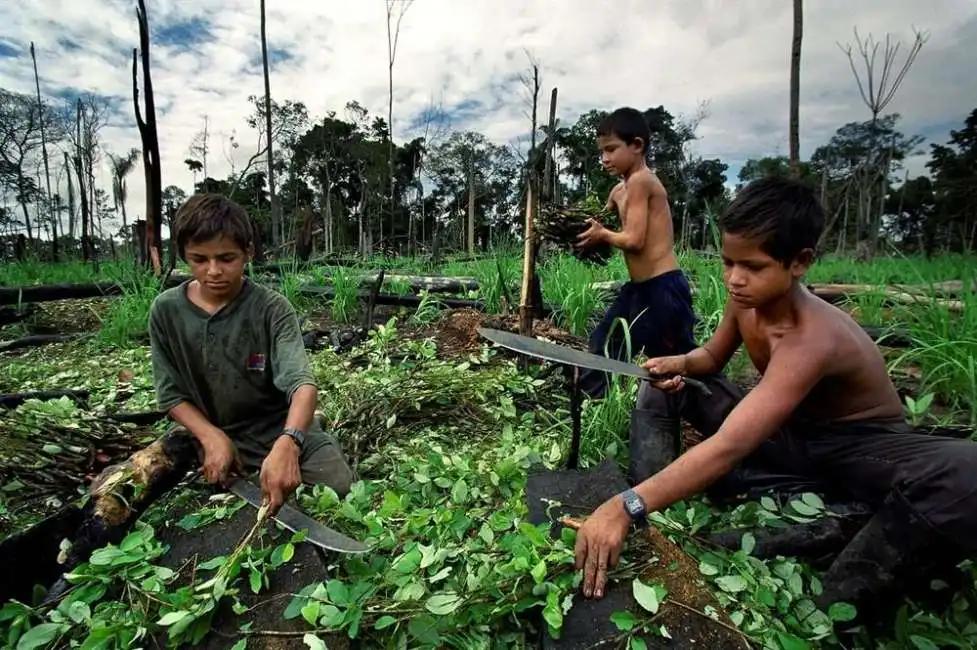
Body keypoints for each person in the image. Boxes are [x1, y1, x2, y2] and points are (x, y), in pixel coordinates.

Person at [571, 176, 977, 627]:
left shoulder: (813, 336)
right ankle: (657, 511)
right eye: (727, 262)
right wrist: (679, 362)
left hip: (860, 451)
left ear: (800, 262)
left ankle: (831, 611)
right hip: (791, 436)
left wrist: (620, 505)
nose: (734, 278)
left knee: (968, 472)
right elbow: (711, 357)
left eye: (753, 266)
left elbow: (731, 443)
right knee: (668, 386)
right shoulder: (744, 302)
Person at [148, 193, 354, 514]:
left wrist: (289, 442)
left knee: (336, 484)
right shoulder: (166, 311)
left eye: (226, 258)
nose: (213, 270)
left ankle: (301, 444)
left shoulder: (271, 308)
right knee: (191, 499)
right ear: (183, 255)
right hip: (215, 431)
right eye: (200, 259)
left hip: (277, 427)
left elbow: (302, 385)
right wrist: (211, 436)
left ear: (248, 253)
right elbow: (170, 394)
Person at [573, 107, 698, 483]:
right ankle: (593, 427)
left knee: (679, 367)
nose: (605, 158)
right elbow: (601, 224)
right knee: (604, 348)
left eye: (611, 149)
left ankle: (723, 429)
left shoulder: (644, 181)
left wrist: (603, 236)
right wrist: (580, 233)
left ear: (637, 145)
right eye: (602, 151)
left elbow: (634, 239)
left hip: (664, 289)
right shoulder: (618, 190)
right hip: (638, 289)